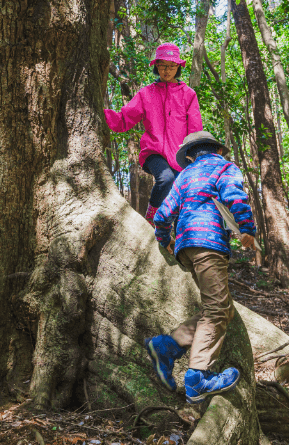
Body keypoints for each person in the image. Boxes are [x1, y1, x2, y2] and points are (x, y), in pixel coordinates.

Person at [144, 130, 257, 403]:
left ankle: (167, 347)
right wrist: (247, 229)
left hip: (186, 248)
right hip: (209, 244)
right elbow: (235, 196)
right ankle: (198, 378)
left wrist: (165, 240)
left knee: (220, 308)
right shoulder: (225, 166)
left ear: (192, 154)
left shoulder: (183, 176)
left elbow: (162, 215)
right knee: (218, 309)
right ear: (216, 150)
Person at [104, 43, 202, 225]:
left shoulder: (188, 94)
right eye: (163, 65)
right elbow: (125, 119)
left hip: (180, 154)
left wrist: (195, 155)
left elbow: (195, 128)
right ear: (156, 66)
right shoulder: (146, 93)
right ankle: (151, 217)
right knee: (166, 178)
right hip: (153, 152)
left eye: (172, 66)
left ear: (178, 67)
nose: (167, 70)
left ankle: (170, 238)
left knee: (180, 197)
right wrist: (102, 114)